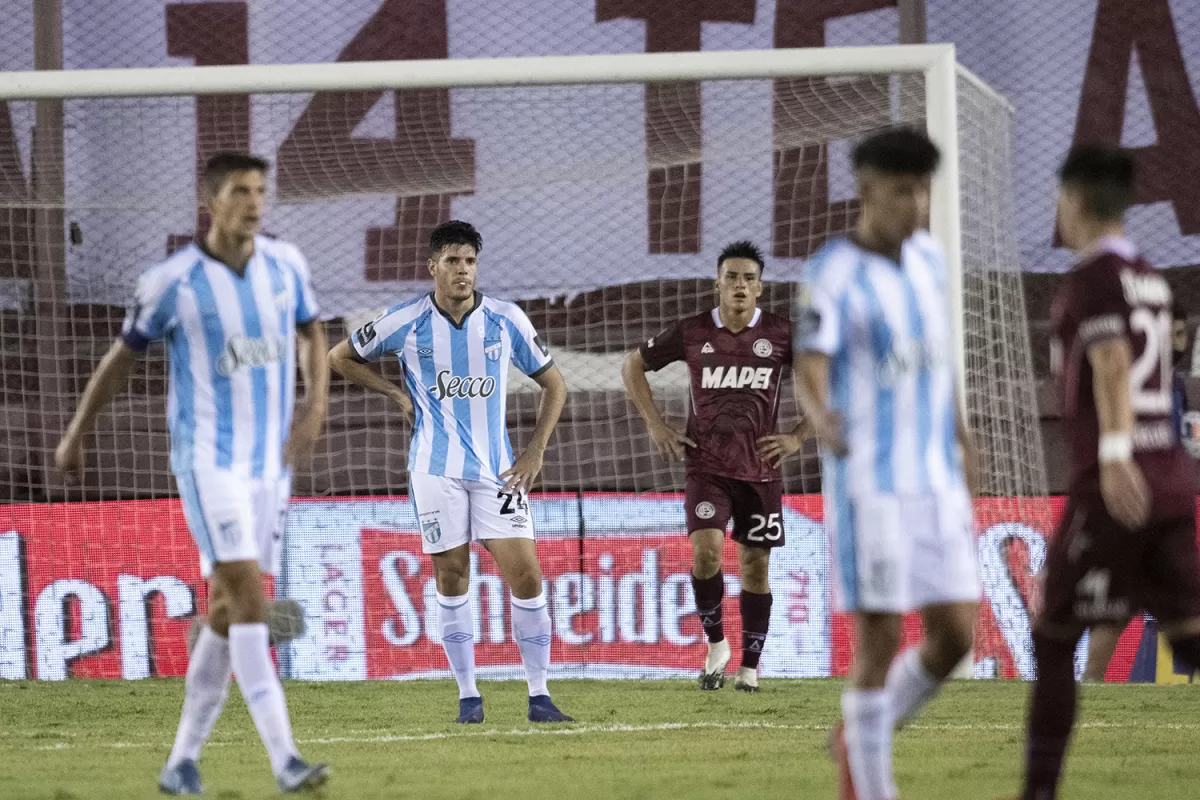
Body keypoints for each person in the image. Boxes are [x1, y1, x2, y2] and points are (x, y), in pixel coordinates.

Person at [55, 152, 330, 794]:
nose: (255, 202)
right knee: (252, 599)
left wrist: (315, 405)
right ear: (210, 199)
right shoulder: (172, 282)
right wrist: (76, 433)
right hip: (210, 465)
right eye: (241, 190)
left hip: (271, 467)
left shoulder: (286, 266)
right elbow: (121, 361)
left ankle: (181, 763)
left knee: (230, 610)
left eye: (262, 190)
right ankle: (286, 760)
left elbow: (313, 333)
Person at [793, 127, 981, 800]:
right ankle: (871, 789)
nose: (917, 203)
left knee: (957, 633)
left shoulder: (929, 258)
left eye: (923, 189)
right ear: (869, 191)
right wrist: (822, 421)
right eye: (904, 190)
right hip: (871, 486)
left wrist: (961, 435)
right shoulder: (832, 273)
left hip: (934, 479)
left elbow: (936, 354)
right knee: (876, 644)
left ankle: (858, 733)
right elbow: (808, 371)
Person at [328, 220, 573, 725]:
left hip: (497, 471)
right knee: (452, 575)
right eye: (453, 261)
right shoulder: (406, 321)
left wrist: (536, 451)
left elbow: (556, 384)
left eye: (470, 261)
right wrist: (395, 393)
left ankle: (540, 696)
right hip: (434, 470)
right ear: (433, 267)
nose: (463, 271)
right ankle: (468, 698)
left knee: (526, 575)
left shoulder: (507, 319)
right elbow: (340, 357)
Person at [1019, 145, 1200, 800]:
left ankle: (1037, 792)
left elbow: (1114, 363)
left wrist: (1118, 454)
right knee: (1189, 633)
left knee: (1053, 635)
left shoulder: (1094, 279)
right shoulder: (1150, 276)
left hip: (1117, 484)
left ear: (1074, 198)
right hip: (1174, 477)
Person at [622, 240, 803, 692]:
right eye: (731, 277)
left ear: (760, 288)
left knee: (755, 568)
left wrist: (799, 436)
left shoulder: (783, 334)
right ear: (717, 284)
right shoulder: (692, 331)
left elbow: (833, 379)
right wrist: (656, 425)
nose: (739, 285)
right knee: (705, 554)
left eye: (748, 279)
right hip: (706, 468)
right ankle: (716, 642)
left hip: (761, 471)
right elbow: (632, 366)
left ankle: (750, 667)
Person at [1082, 299, 1191, 682]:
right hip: (1130, 510)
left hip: (1164, 511)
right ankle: (1088, 685)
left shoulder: (1175, 387)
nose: (1178, 344)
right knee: (1112, 613)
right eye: (1171, 335)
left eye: (1182, 335)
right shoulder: (1128, 386)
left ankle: (1095, 685)